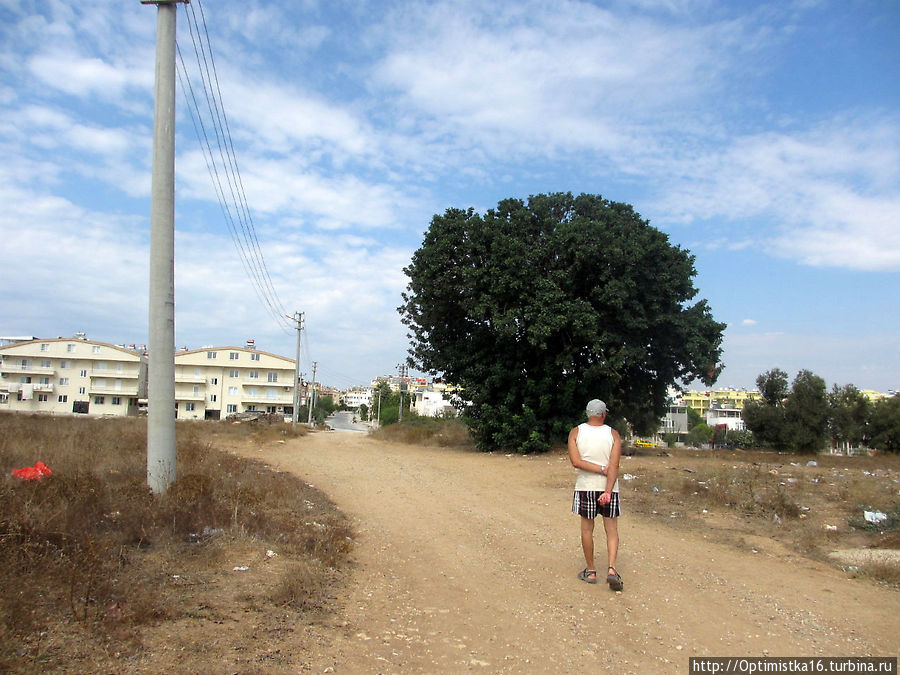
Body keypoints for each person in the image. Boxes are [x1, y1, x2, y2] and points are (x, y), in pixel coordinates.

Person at [568, 399, 624, 591]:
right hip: (610, 489)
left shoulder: (576, 432)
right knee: (611, 530)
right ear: (603, 414)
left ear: (588, 413)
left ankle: (591, 571)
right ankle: (611, 569)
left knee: (586, 530)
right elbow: (614, 466)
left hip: (585, 487)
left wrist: (598, 469)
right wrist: (607, 491)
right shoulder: (613, 434)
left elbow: (576, 462)